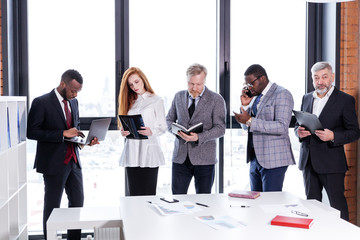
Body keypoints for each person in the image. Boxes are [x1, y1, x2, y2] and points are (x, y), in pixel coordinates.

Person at [27, 69, 99, 240]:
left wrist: (85, 141)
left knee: (77, 204)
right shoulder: (41, 102)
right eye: (73, 91)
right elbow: (32, 132)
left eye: (78, 92)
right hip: (53, 163)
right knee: (52, 207)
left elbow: (74, 128)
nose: (75, 95)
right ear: (63, 84)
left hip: (74, 161)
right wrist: (62, 133)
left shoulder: (74, 103)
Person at [294, 61, 360, 221]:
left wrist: (333, 136)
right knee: (311, 206)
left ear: (332, 78)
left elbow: (354, 132)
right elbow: (298, 124)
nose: (320, 82)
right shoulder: (307, 97)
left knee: (338, 207)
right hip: (309, 162)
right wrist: (299, 132)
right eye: (316, 78)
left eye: (324, 77)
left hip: (332, 163)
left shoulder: (345, 100)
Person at [234, 64, 295, 192]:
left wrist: (250, 120)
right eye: (246, 85)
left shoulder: (282, 94)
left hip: (274, 159)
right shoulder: (255, 97)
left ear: (262, 79)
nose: (249, 88)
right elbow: (246, 127)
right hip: (255, 158)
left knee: (270, 204)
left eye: (251, 84)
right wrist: (244, 106)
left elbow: (282, 126)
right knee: (255, 202)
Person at [166, 63, 226, 194]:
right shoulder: (178, 96)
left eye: (198, 84)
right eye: (191, 84)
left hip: (205, 159)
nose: (194, 88)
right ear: (187, 81)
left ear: (204, 81)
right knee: (177, 198)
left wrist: (199, 137)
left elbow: (220, 128)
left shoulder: (216, 99)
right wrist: (177, 132)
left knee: (203, 200)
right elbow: (168, 120)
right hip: (180, 158)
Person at [118, 67, 167, 196]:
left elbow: (163, 127)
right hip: (132, 151)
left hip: (149, 151)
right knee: (133, 195)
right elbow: (125, 124)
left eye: (136, 82)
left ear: (143, 80)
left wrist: (152, 131)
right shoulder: (130, 102)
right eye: (130, 84)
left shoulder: (157, 100)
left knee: (148, 194)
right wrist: (124, 131)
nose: (134, 86)